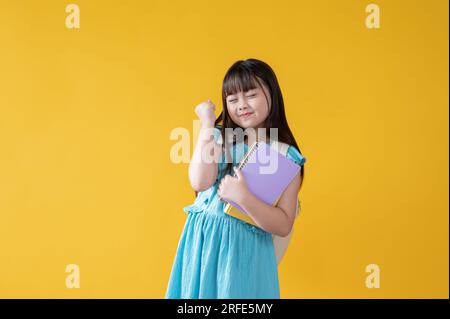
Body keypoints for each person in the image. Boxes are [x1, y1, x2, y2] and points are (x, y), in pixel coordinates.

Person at [165, 58, 307, 299]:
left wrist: (244, 198)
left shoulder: (284, 155)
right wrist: (207, 123)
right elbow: (199, 181)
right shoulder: (220, 138)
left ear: (271, 93)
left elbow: (283, 224)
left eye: (251, 94)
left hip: (243, 254)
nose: (242, 104)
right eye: (232, 99)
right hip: (202, 243)